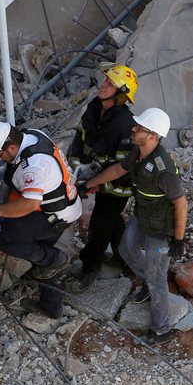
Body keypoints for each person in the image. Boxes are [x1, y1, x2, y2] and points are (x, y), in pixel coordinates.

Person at [86, 107, 187, 344]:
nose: (133, 129)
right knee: (126, 249)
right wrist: (92, 183)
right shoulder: (138, 153)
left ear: (152, 136)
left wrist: (179, 239)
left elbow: (181, 205)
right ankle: (149, 283)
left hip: (162, 231)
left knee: (158, 277)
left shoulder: (164, 170)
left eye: (139, 128)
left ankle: (161, 329)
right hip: (143, 217)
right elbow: (118, 169)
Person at [0, 121, 82, 320]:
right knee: (39, 253)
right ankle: (51, 305)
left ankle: (54, 259)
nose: (1, 160)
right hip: (60, 207)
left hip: (55, 216)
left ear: (11, 146)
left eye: (1, 155)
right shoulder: (30, 136)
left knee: (3, 235)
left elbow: (28, 205)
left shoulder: (35, 166)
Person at [70, 64, 138, 291]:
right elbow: (80, 136)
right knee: (111, 220)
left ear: (121, 95)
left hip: (118, 186)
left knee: (100, 224)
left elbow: (122, 168)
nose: (104, 84)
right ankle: (124, 256)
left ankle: (90, 266)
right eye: (106, 80)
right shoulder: (94, 106)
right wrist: (77, 165)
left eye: (111, 83)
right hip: (96, 173)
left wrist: (94, 184)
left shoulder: (125, 125)